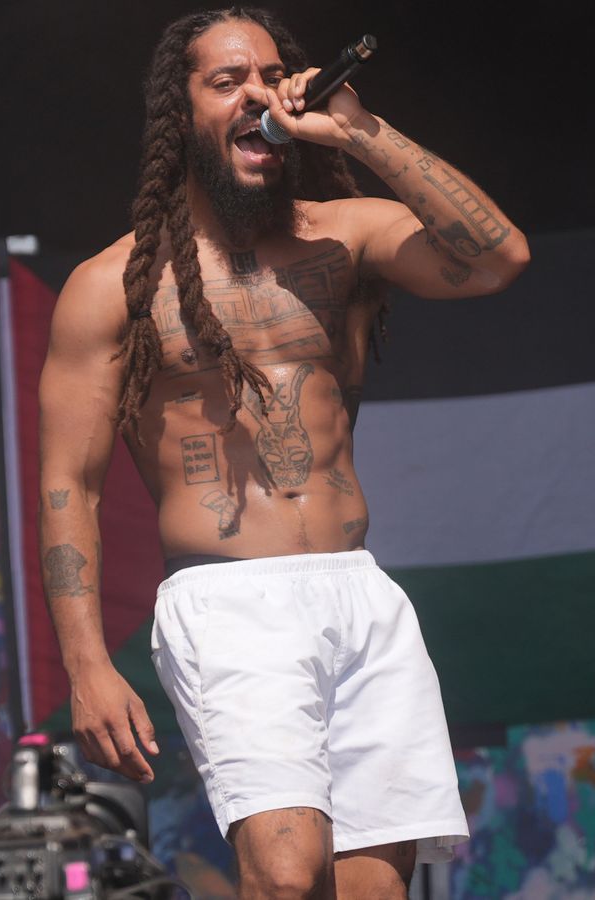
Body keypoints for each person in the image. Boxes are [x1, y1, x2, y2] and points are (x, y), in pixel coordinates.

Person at [37, 7, 528, 897]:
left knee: (375, 890)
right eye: (227, 82)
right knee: (287, 877)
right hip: (231, 603)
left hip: (357, 593)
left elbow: (499, 259)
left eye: (270, 76)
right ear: (180, 113)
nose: (257, 95)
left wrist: (361, 130)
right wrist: (86, 665)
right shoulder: (114, 285)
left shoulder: (344, 235)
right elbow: (70, 483)